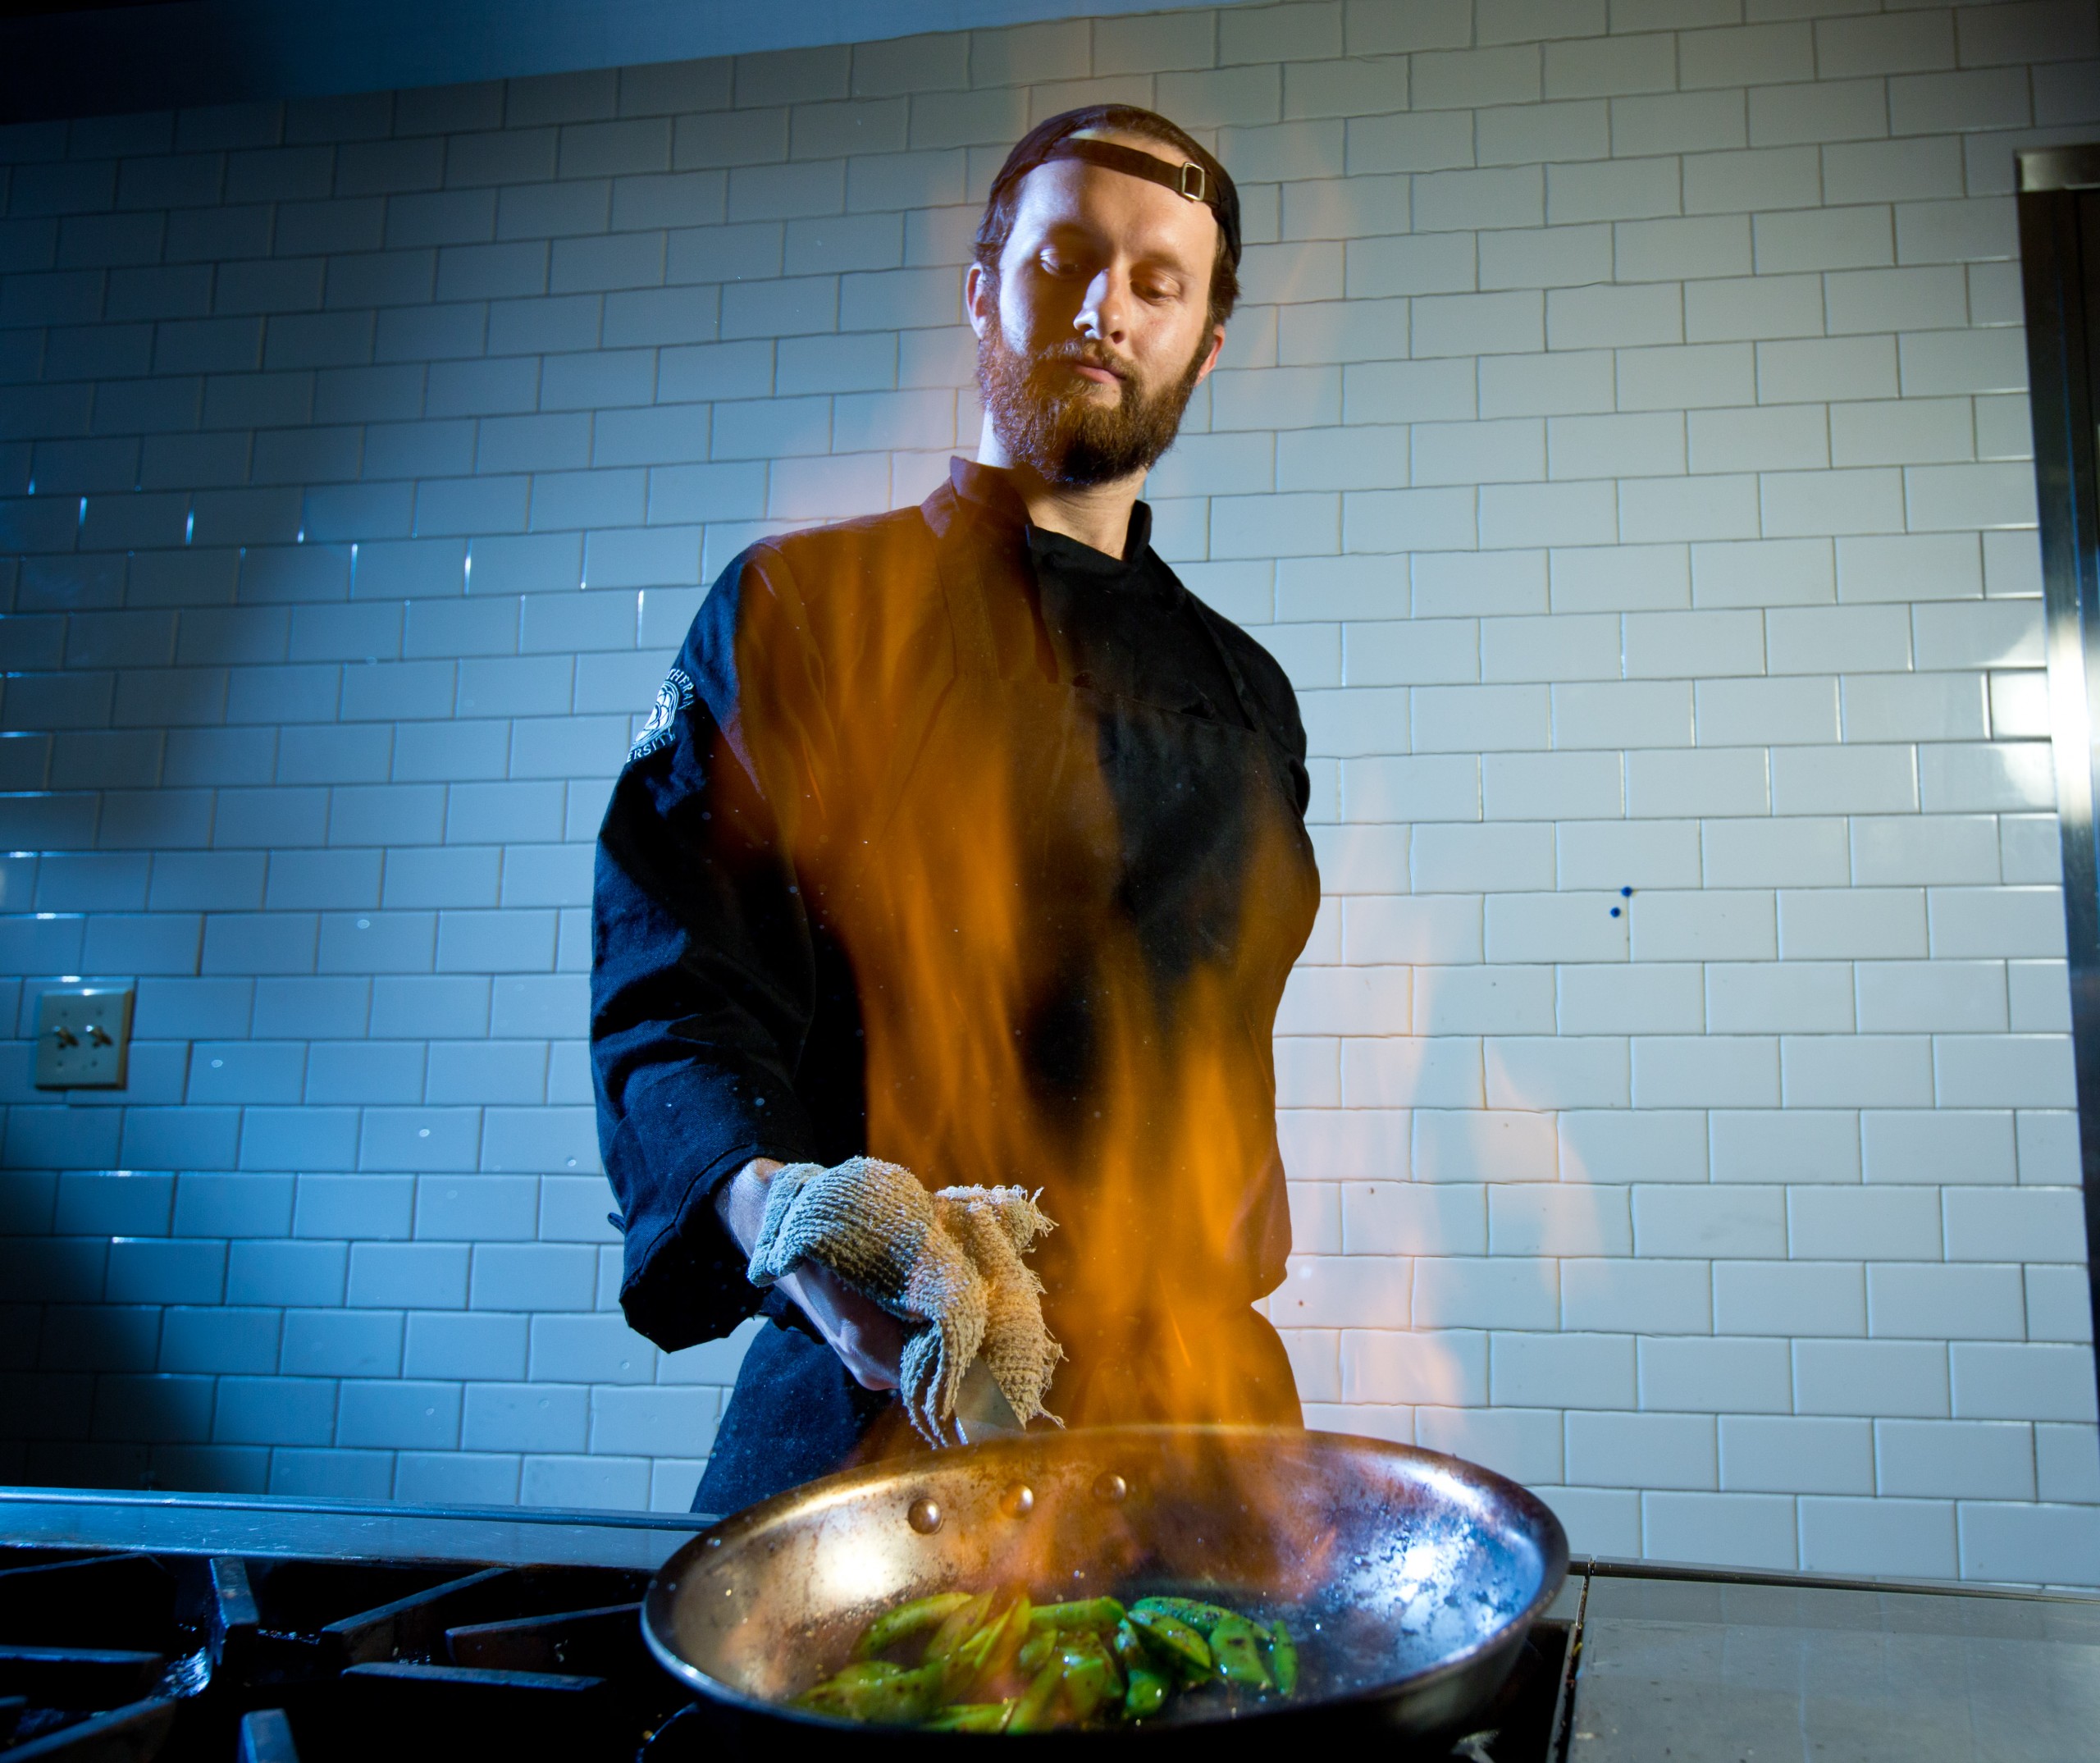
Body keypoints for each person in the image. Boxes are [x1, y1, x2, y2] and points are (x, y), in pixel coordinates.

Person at [591, 105, 1321, 1514]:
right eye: (1065, 260)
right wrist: (782, 1213)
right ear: (984, 286)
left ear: (1204, 347)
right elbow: (672, 1001)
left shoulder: (1249, 693)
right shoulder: (800, 613)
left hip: (1201, 1422)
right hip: (885, 1391)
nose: (1107, 306)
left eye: (1159, 281)